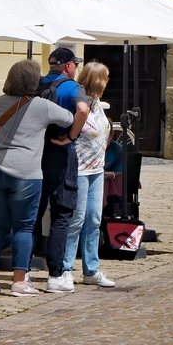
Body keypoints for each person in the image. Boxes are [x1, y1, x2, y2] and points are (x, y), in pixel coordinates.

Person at [0, 60, 74, 297]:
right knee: (24, 227)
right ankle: (20, 281)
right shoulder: (42, 106)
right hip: (27, 174)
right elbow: (70, 118)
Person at [35, 47, 90, 295]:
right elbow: (83, 110)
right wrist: (71, 136)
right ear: (68, 66)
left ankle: (22, 271)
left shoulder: (34, 84)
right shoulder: (72, 87)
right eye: (75, 64)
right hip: (60, 152)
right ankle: (55, 275)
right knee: (61, 214)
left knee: (31, 214)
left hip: (34, 153)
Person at [62, 61, 115, 288]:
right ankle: (65, 269)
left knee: (93, 219)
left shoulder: (97, 105)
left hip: (97, 169)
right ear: (99, 80)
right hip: (80, 169)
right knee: (76, 219)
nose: (108, 81)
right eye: (106, 77)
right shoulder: (79, 102)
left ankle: (91, 269)